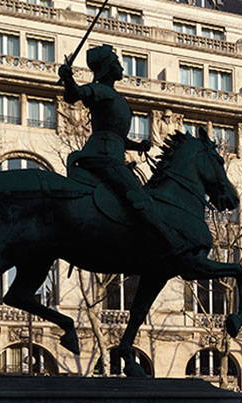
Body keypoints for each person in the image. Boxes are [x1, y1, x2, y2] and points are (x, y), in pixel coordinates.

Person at [59, 44, 187, 253]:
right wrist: (68, 79)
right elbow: (75, 95)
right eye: (118, 63)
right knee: (140, 197)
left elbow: (116, 135)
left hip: (112, 154)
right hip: (103, 156)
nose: (122, 68)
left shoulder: (113, 95)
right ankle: (170, 241)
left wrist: (138, 145)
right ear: (108, 67)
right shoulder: (100, 90)